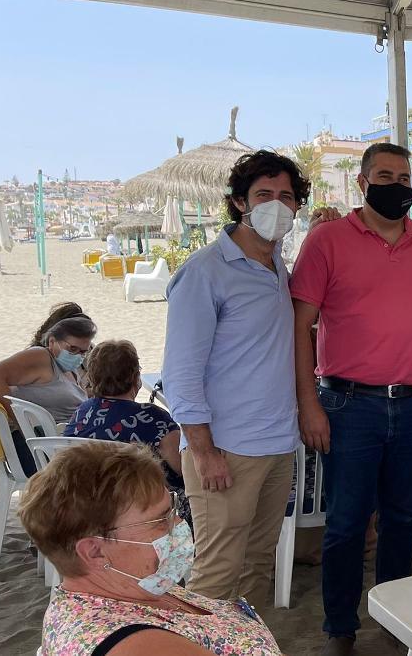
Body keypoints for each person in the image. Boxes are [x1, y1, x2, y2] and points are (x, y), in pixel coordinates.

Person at [291, 142, 412, 655]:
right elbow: (300, 325)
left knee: (402, 521)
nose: (396, 185)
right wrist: (308, 403)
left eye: (404, 178)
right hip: (347, 405)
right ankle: (340, 628)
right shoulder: (327, 240)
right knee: (346, 523)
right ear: (362, 182)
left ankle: (392, 617)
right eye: (384, 176)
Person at [161, 150, 308, 612]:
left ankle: (246, 642)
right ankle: (199, 643)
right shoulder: (205, 271)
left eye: (287, 196)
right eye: (264, 195)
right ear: (239, 202)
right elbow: (180, 374)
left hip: (277, 444)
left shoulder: (277, 266)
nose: (276, 205)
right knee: (217, 571)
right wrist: (204, 451)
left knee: (257, 563)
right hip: (226, 449)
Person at [23, 443, 283, 656]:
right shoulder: (132, 645)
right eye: (160, 520)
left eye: (172, 509)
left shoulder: (138, 585)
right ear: (94, 552)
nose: (179, 524)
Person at [65, 340, 187, 521]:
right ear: (135, 376)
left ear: (92, 377)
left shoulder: (83, 412)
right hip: (139, 506)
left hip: (87, 503)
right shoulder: (153, 417)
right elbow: (184, 469)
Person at [0, 303, 96, 424]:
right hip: (56, 434)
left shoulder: (69, 368)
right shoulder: (41, 357)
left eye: (83, 351)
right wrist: (23, 423)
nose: (79, 355)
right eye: (73, 348)